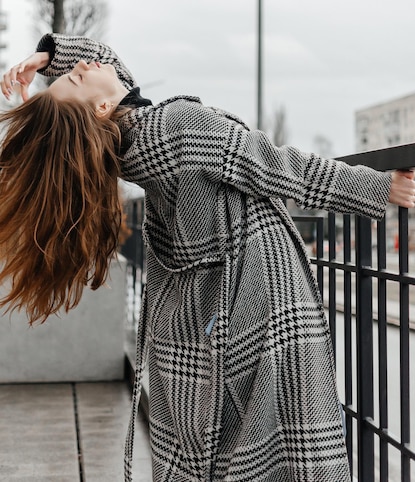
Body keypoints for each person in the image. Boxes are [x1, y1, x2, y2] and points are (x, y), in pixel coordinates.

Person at [0, 33, 414, 482]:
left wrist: (49, 57)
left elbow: (106, 67)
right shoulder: (177, 124)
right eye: (78, 75)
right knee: (290, 451)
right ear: (100, 109)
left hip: (224, 308)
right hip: (264, 299)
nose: (86, 66)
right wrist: (378, 188)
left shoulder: (132, 141)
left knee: (242, 454)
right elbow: (274, 164)